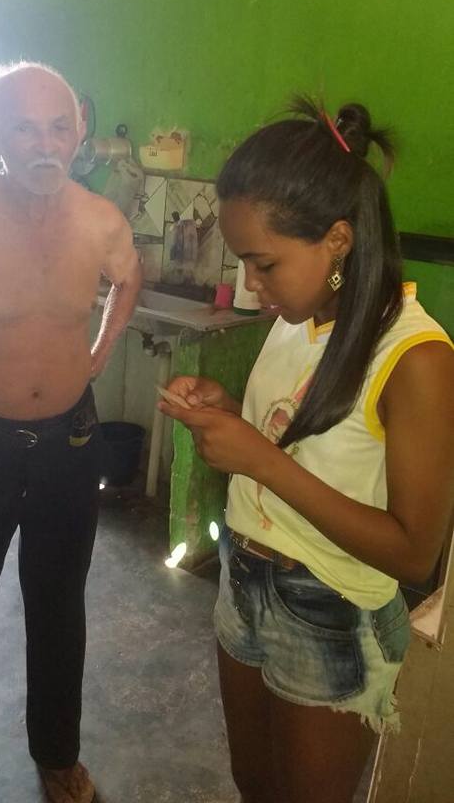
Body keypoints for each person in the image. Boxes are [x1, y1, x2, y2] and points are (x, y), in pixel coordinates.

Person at [158, 97, 454, 803]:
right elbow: (310, 442)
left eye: (264, 264)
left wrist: (259, 460)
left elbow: (415, 553)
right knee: (254, 783)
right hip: (244, 578)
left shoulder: (416, 358)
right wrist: (231, 414)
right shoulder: (302, 313)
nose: (251, 286)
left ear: (338, 241)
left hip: (331, 610)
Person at [0, 62, 142, 803]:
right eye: (25, 128)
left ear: (79, 132)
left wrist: (98, 355)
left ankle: (57, 755)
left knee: (59, 609)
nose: (46, 145)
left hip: (69, 447)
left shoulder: (100, 220)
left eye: (59, 127)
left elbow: (129, 277)